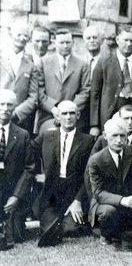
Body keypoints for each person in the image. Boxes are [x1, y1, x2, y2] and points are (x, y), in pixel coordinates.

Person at [26, 101, 95, 242]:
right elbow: (28, 151)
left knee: (71, 229)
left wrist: (77, 201)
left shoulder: (88, 141)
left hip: (74, 193)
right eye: (64, 113)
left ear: (78, 115)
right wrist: (38, 173)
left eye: (72, 113)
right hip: (51, 194)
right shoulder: (47, 136)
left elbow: (89, 175)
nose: (68, 117)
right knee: (50, 226)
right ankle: (55, 223)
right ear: (57, 116)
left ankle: (69, 222)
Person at [90, 27, 132, 136]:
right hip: (110, 113)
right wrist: (94, 124)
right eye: (126, 40)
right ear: (118, 40)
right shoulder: (104, 62)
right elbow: (95, 94)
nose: (129, 44)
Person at [37, 28, 90, 133]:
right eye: (61, 43)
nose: (65, 46)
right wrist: (53, 109)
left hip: (73, 119)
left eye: (68, 42)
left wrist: (69, 110)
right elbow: (39, 90)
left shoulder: (82, 65)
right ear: (54, 43)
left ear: (73, 43)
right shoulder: (43, 62)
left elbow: (86, 90)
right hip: (48, 116)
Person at [0, 90, 32, 245]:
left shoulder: (22, 135)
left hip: (12, 193)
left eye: (9, 105)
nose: (5, 108)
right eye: (2, 104)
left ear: (14, 107)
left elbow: (29, 169)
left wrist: (16, 196)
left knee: (16, 235)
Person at [0, 23, 38, 133]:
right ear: (11, 35)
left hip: (20, 120)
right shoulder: (1, 59)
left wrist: (17, 113)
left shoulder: (31, 65)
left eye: (25, 36)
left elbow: (33, 97)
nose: (22, 38)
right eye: (19, 34)